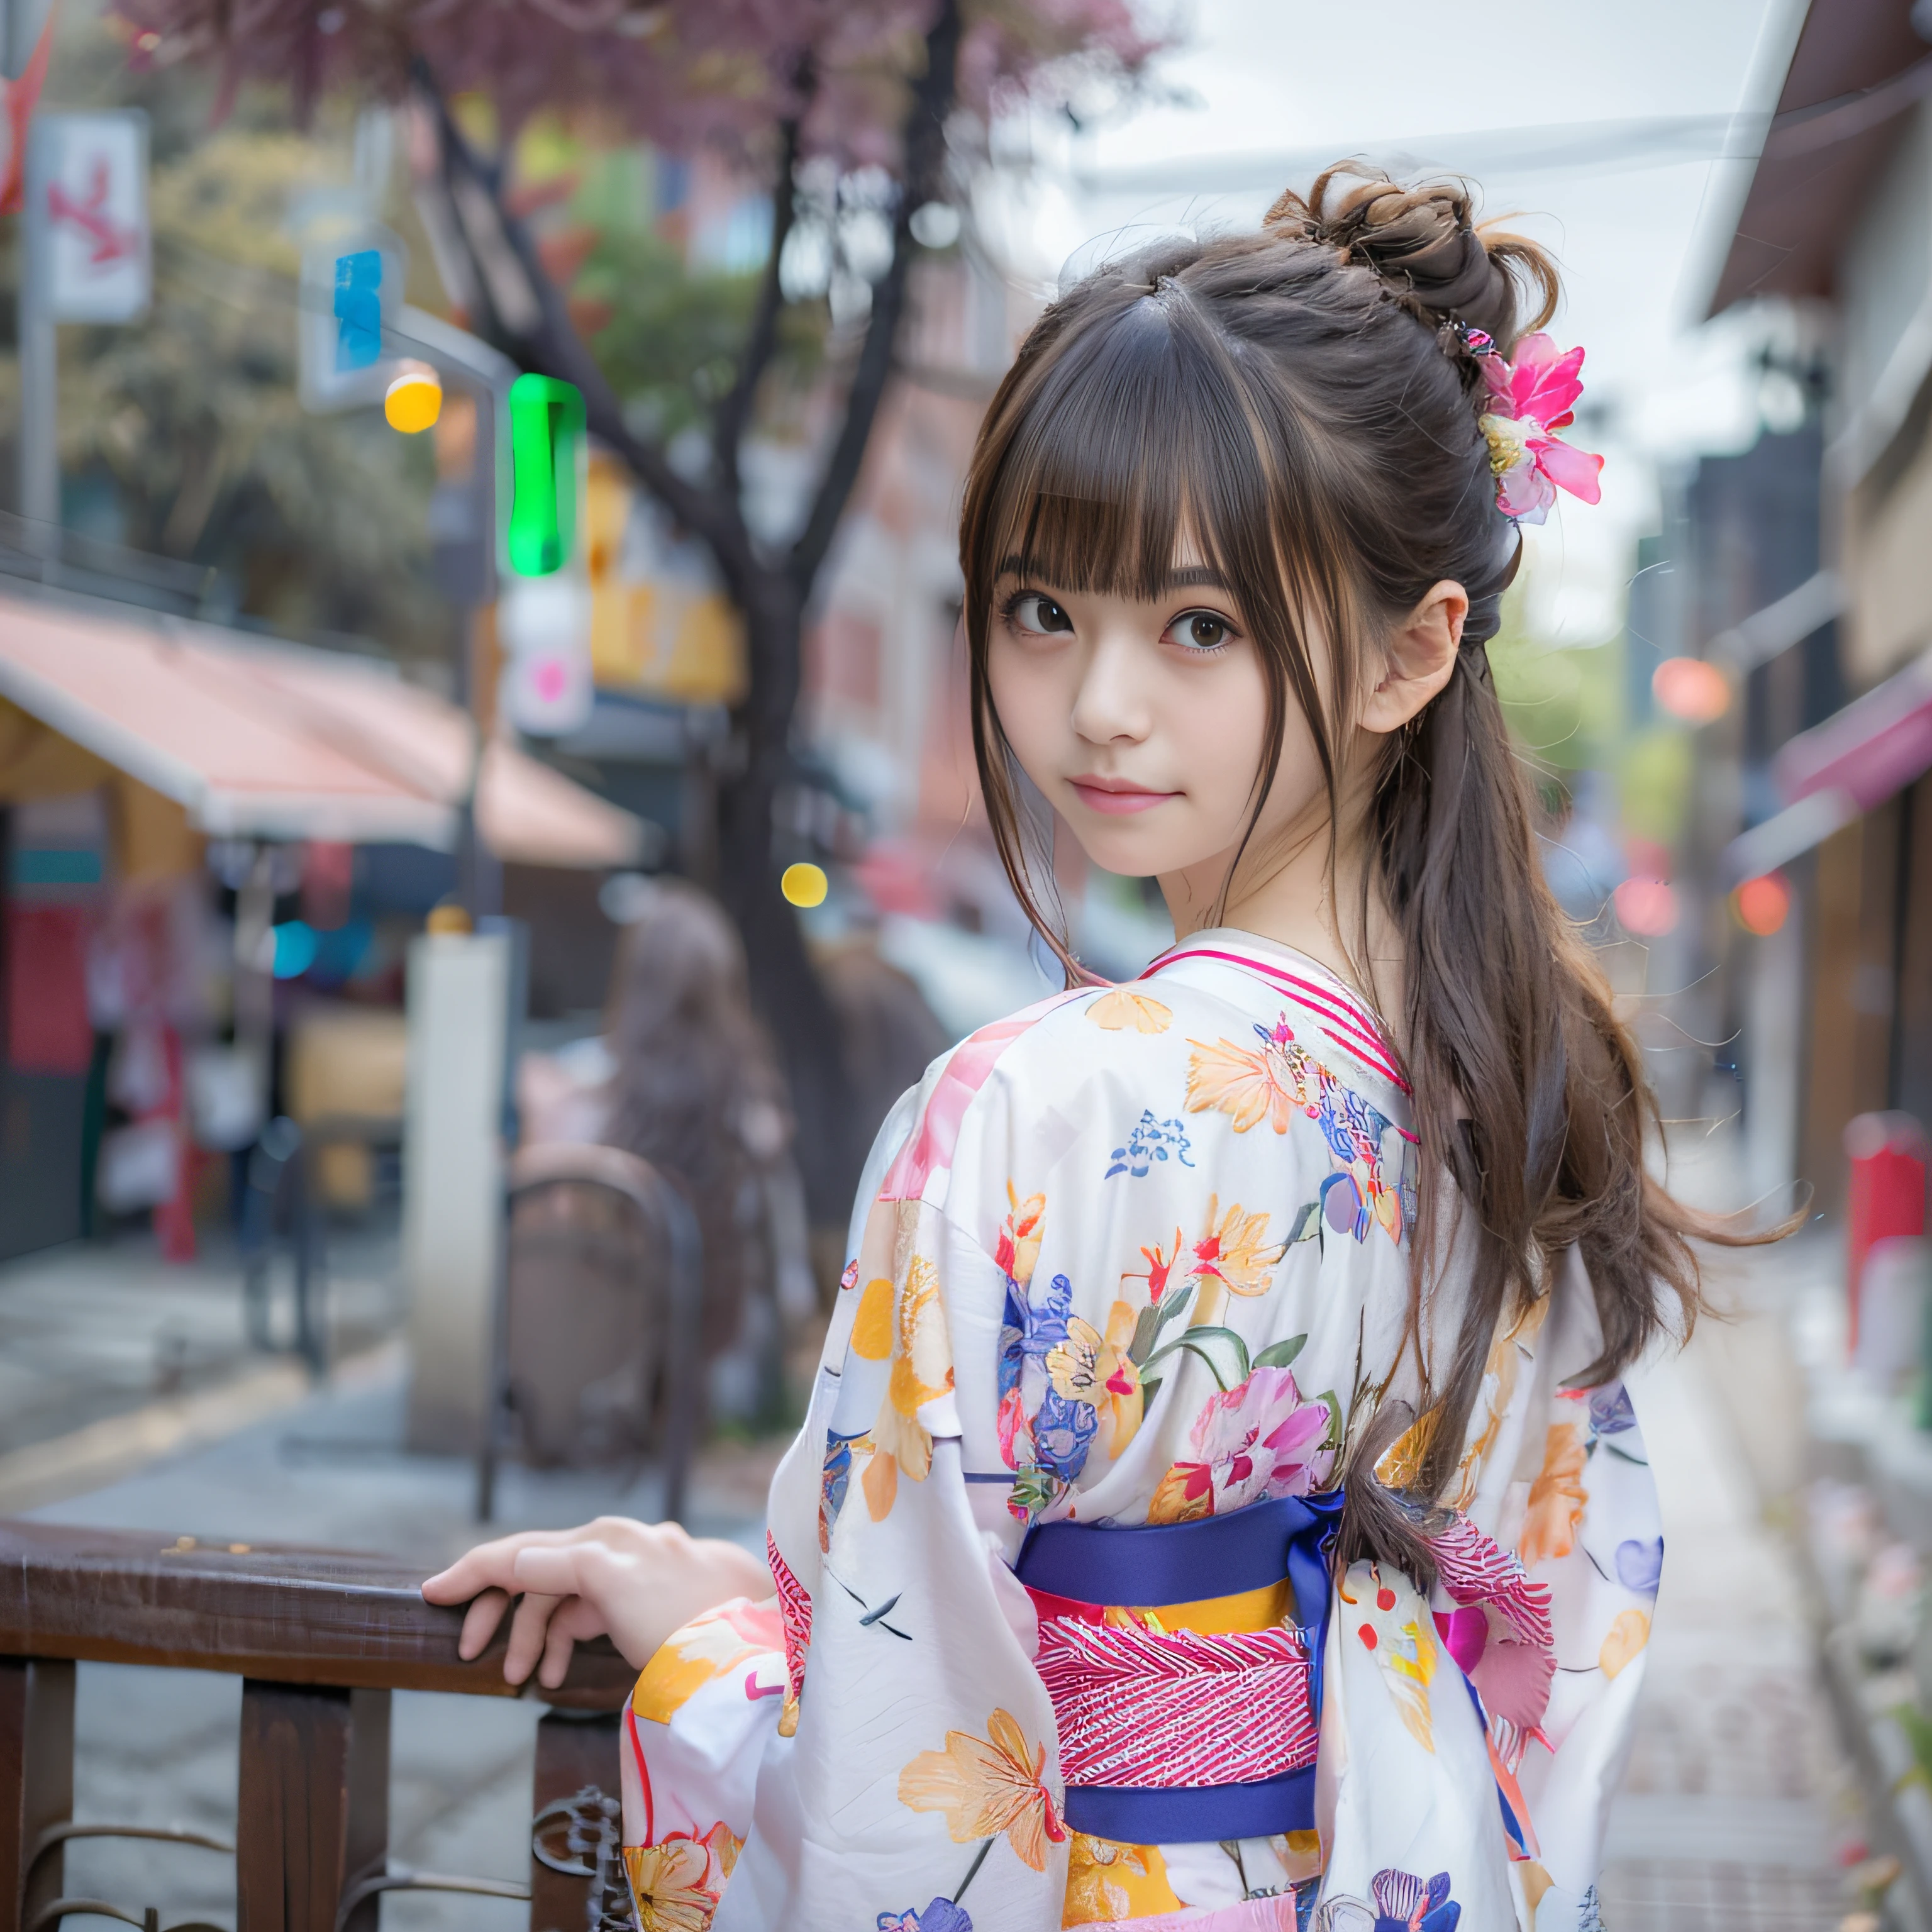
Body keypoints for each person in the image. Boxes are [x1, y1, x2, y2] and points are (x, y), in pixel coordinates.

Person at [425, 167, 1763, 1932]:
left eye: (1198, 626)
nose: (1096, 703)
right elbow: (1566, 1653)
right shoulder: (1510, 1105)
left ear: (1409, 654)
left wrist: (722, 1652)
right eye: (1042, 610)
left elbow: (898, 1801)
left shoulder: (1024, 1113)